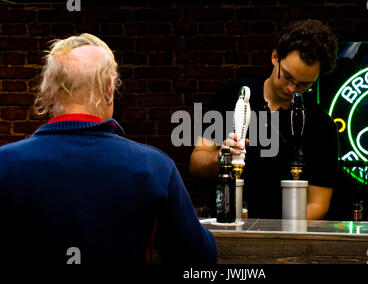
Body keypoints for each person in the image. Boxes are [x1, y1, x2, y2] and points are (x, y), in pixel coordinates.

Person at [0, 34, 217, 264]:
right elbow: (200, 257)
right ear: (110, 88)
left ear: (48, 92)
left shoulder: (6, 163)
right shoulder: (154, 167)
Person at [189, 19, 339, 220]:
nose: (291, 89)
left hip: (282, 241)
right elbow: (196, 165)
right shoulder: (232, 95)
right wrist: (221, 157)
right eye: (287, 77)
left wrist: (274, 236)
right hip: (227, 228)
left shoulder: (321, 125)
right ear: (275, 57)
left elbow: (317, 204)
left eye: (304, 84)